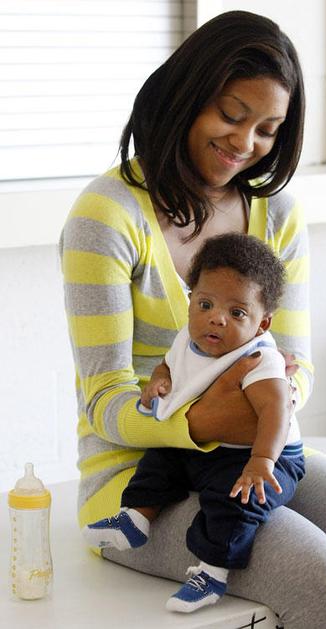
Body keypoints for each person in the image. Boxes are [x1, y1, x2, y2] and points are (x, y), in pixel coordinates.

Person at [60, 10, 326, 629]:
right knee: (325, 582)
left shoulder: (276, 213)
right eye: (231, 114)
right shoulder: (107, 216)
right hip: (140, 483)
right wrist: (206, 418)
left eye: (267, 129)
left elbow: (298, 369)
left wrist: (262, 412)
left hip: (257, 453)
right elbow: (105, 402)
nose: (245, 142)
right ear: (186, 97)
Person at [82, 233, 305, 613]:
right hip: (206, 448)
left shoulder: (258, 360)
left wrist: (261, 461)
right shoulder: (190, 337)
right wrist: (159, 381)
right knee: (160, 460)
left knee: (236, 499)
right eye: (205, 304)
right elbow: (170, 364)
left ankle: (212, 572)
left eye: (238, 313)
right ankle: (136, 518)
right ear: (190, 302)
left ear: (262, 324)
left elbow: (276, 411)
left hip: (264, 456)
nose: (217, 317)